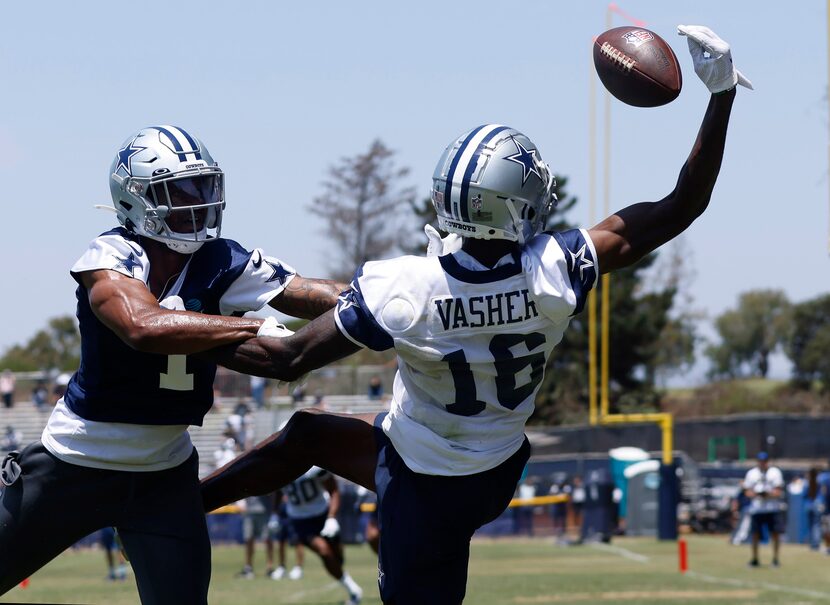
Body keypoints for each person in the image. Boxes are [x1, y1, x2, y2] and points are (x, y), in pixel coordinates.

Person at [201, 26, 747, 604]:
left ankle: (180, 504)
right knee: (309, 434)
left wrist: (186, 327)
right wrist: (721, 95)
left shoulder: (406, 286)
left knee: (310, 443)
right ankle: (181, 503)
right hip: (496, 470)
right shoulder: (557, 270)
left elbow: (286, 359)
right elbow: (682, 204)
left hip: (422, 477)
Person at [0, 125, 346, 603]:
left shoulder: (222, 258)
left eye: (202, 187)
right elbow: (142, 325)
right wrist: (251, 327)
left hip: (164, 474)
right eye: (178, 190)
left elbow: (311, 294)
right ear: (135, 199)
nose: (195, 200)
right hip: (76, 463)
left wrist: (383, 297)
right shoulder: (112, 254)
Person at [280, 467, 363, 603]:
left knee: (338, 558)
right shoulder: (278, 469)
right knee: (324, 552)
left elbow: (334, 490)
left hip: (322, 514)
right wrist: (274, 514)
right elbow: (277, 492)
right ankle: (353, 589)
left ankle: (346, 582)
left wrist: (331, 517)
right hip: (300, 521)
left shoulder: (313, 468)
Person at [743, 451, 785, 567]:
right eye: (761, 461)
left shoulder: (775, 472)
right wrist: (757, 494)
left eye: (764, 461)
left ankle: (775, 559)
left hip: (772, 508)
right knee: (755, 534)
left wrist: (768, 494)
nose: (763, 463)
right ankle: (755, 558)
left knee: (775, 533)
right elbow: (747, 491)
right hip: (757, 509)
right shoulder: (752, 473)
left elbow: (778, 491)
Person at [236, 494, 276, 580]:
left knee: (267, 539)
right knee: (248, 539)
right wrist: (240, 503)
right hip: (249, 512)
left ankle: (270, 568)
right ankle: (248, 568)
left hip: (264, 511)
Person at [269, 496, 305, 580]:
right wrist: (274, 513)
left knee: (298, 541)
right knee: (281, 541)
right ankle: (281, 567)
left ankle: (298, 568)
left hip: (294, 513)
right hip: (282, 514)